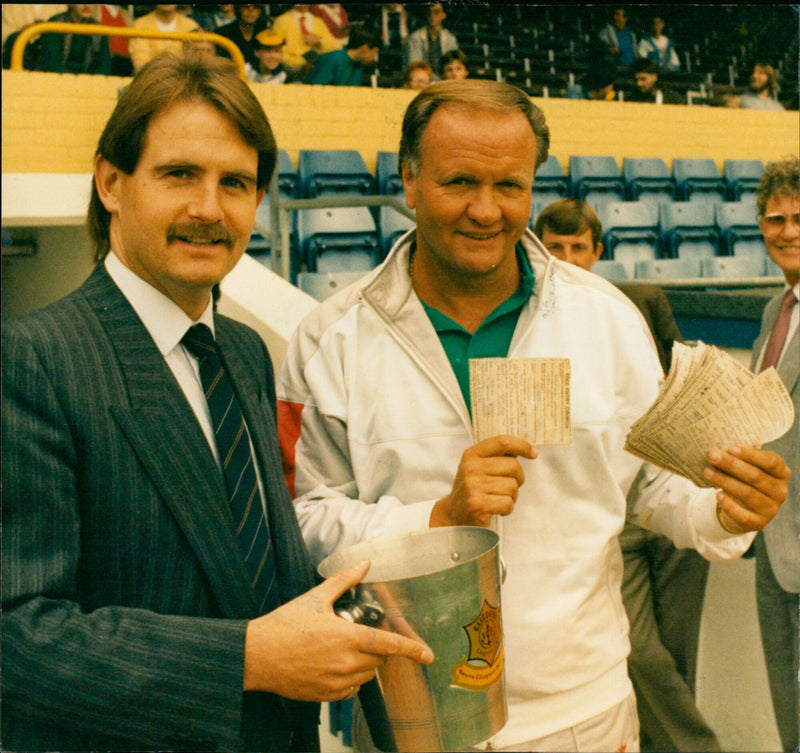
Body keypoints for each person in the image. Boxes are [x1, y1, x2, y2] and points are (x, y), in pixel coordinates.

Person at [276, 79, 790, 752]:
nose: (485, 209)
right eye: (460, 180)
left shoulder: (606, 320)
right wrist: (436, 520)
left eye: (510, 185)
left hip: (584, 712)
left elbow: (654, 487)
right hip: (410, 714)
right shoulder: (328, 339)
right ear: (408, 180)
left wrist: (724, 510)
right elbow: (303, 521)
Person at [0, 53, 434, 753]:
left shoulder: (243, 351)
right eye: (179, 175)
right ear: (111, 182)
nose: (209, 208)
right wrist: (250, 658)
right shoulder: (33, 361)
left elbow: (249, 567)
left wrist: (354, 611)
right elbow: (16, 637)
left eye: (234, 183)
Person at [534, 198, 721, 752]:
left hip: (672, 494)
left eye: (577, 248)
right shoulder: (524, 323)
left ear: (598, 251)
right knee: (640, 653)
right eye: (555, 247)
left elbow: (681, 383)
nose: (567, 258)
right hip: (610, 517)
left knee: (675, 654)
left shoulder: (635, 304)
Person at [750, 156, 799, 753]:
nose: (787, 230)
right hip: (773, 547)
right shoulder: (774, 312)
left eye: (798, 217)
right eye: (775, 218)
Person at [38, 4, 111, 75]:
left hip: (88, 84)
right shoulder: (56, 23)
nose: (87, 6)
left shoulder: (99, 30)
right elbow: (52, 64)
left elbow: (104, 67)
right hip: (58, 82)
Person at [271, 3, 341, 75]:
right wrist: (301, 64)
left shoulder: (318, 22)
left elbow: (337, 47)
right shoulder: (281, 21)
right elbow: (277, 52)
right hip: (292, 71)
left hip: (319, 70)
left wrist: (319, 41)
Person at [129, 4, 200, 72]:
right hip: (150, 80)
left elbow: (196, 60)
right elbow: (140, 62)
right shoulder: (140, 24)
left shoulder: (191, 25)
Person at [305, 25, 379, 87]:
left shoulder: (358, 66)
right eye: (374, 53)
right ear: (364, 48)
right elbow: (317, 89)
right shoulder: (332, 59)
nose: (373, 57)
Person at [402, 2, 458, 78]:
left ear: (443, 15)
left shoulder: (450, 39)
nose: (432, 16)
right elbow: (414, 66)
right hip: (422, 80)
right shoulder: (415, 38)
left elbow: (453, 65)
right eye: (429, 12)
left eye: (436, 12)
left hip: (445, 80)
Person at [215, 3, 268, 72]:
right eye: (246, 6)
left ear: (260, 11)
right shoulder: (223, 32)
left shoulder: (264, 32)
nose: (251, 10)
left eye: (256, 7)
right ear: (238, 8)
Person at [598, 6, 637, 72]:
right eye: (615, 14)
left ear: (625, 18)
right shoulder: (605, 33)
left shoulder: (631, 34)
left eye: (618, 15)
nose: (615, 17)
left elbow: (635, 52)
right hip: (616, 69)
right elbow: (600, 49)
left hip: (632, 68)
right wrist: (608, 49)